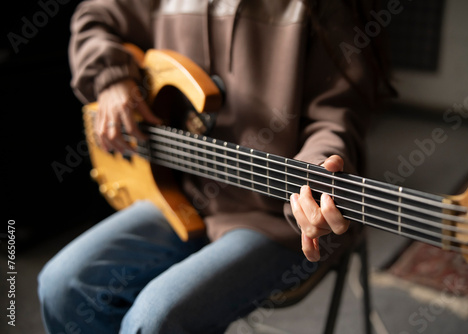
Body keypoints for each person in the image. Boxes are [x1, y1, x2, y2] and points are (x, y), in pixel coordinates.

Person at [38, 0, 393, 333]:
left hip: (277, 221)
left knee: (154, 319)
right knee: (62, 285)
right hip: (182, 196)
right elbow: (94, 17)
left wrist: (315, 177)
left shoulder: (328, 8)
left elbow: (334, 120)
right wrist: (113, 77)